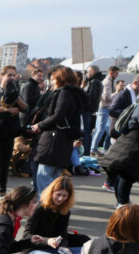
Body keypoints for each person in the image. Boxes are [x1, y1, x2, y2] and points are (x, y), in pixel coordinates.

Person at [100, 81, 139, 208]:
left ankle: (122, 204)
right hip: (134, 148)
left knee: (124, 177)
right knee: (127, 177)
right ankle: (122, 205)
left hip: (127, 145)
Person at [30, 66, 86, 196]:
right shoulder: (75, 93)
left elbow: (58, 115)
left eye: (54, 79)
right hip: (64, 139)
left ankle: (44, 209)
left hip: (54, 140)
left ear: (61, 79)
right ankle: (53, 209)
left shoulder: (64, 93)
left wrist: (40, 125)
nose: (52, 82)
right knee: (54, 179)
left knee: (44, 178)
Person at [0, 66, 27, 204]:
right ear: (1, 76)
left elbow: (26, 108)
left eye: (14, 75)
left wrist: (17, 99)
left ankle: (2, 192)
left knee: (4, 166)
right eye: (8, 75)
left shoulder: (17, 93)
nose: (11, 78)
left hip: (9, 134)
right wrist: (7, 109)